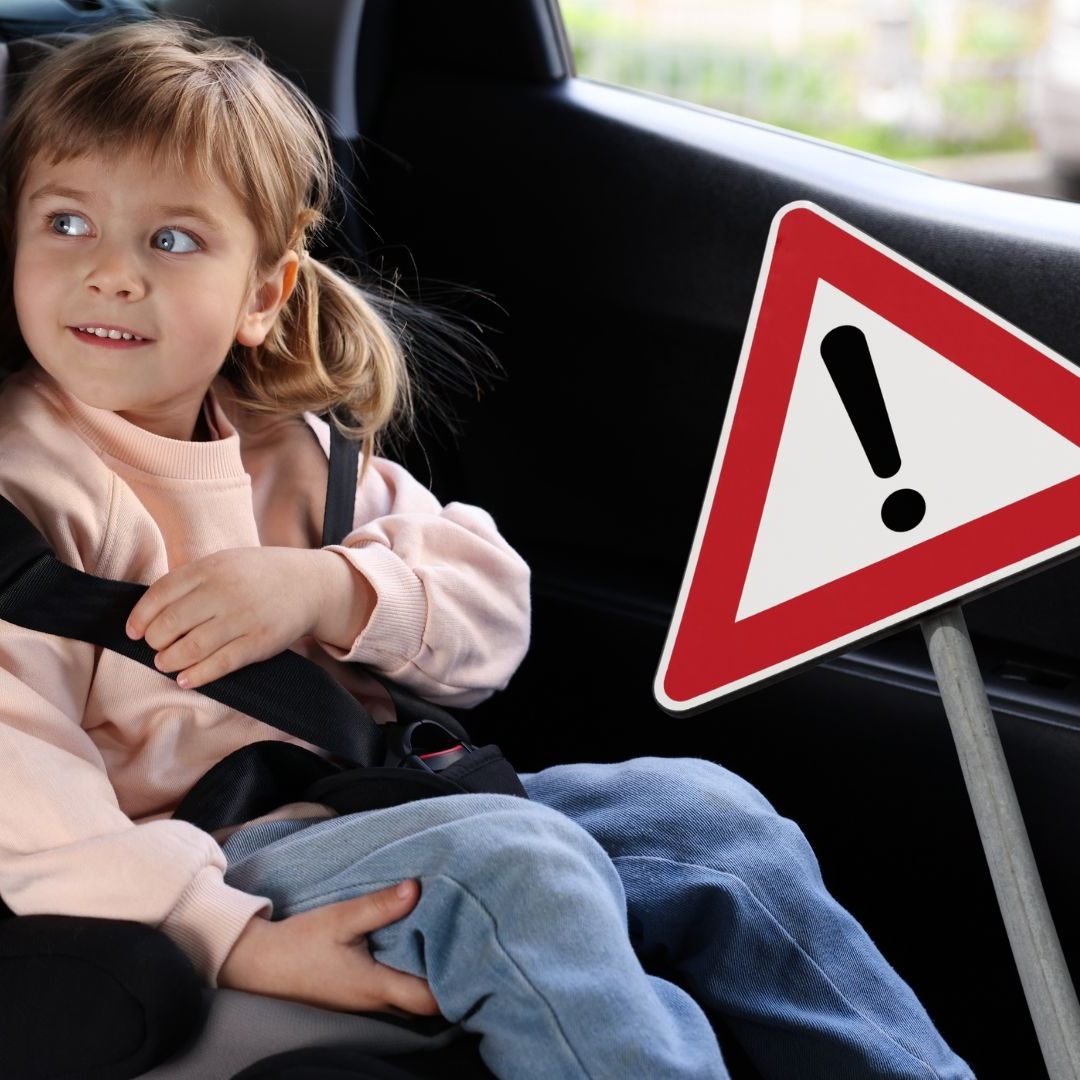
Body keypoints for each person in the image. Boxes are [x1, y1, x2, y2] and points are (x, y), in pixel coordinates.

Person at [0, 18, 975, 1080]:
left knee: (714, 818)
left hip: (374, 801)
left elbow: (487, 618)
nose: (111, 274)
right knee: (519, 863)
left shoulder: (297, 453)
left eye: (172, 240)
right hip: (208, 861)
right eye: (66, 224)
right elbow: (21, 788)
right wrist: (221, 931)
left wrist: (334, 589)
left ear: (263, 295)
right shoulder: (26, 490)